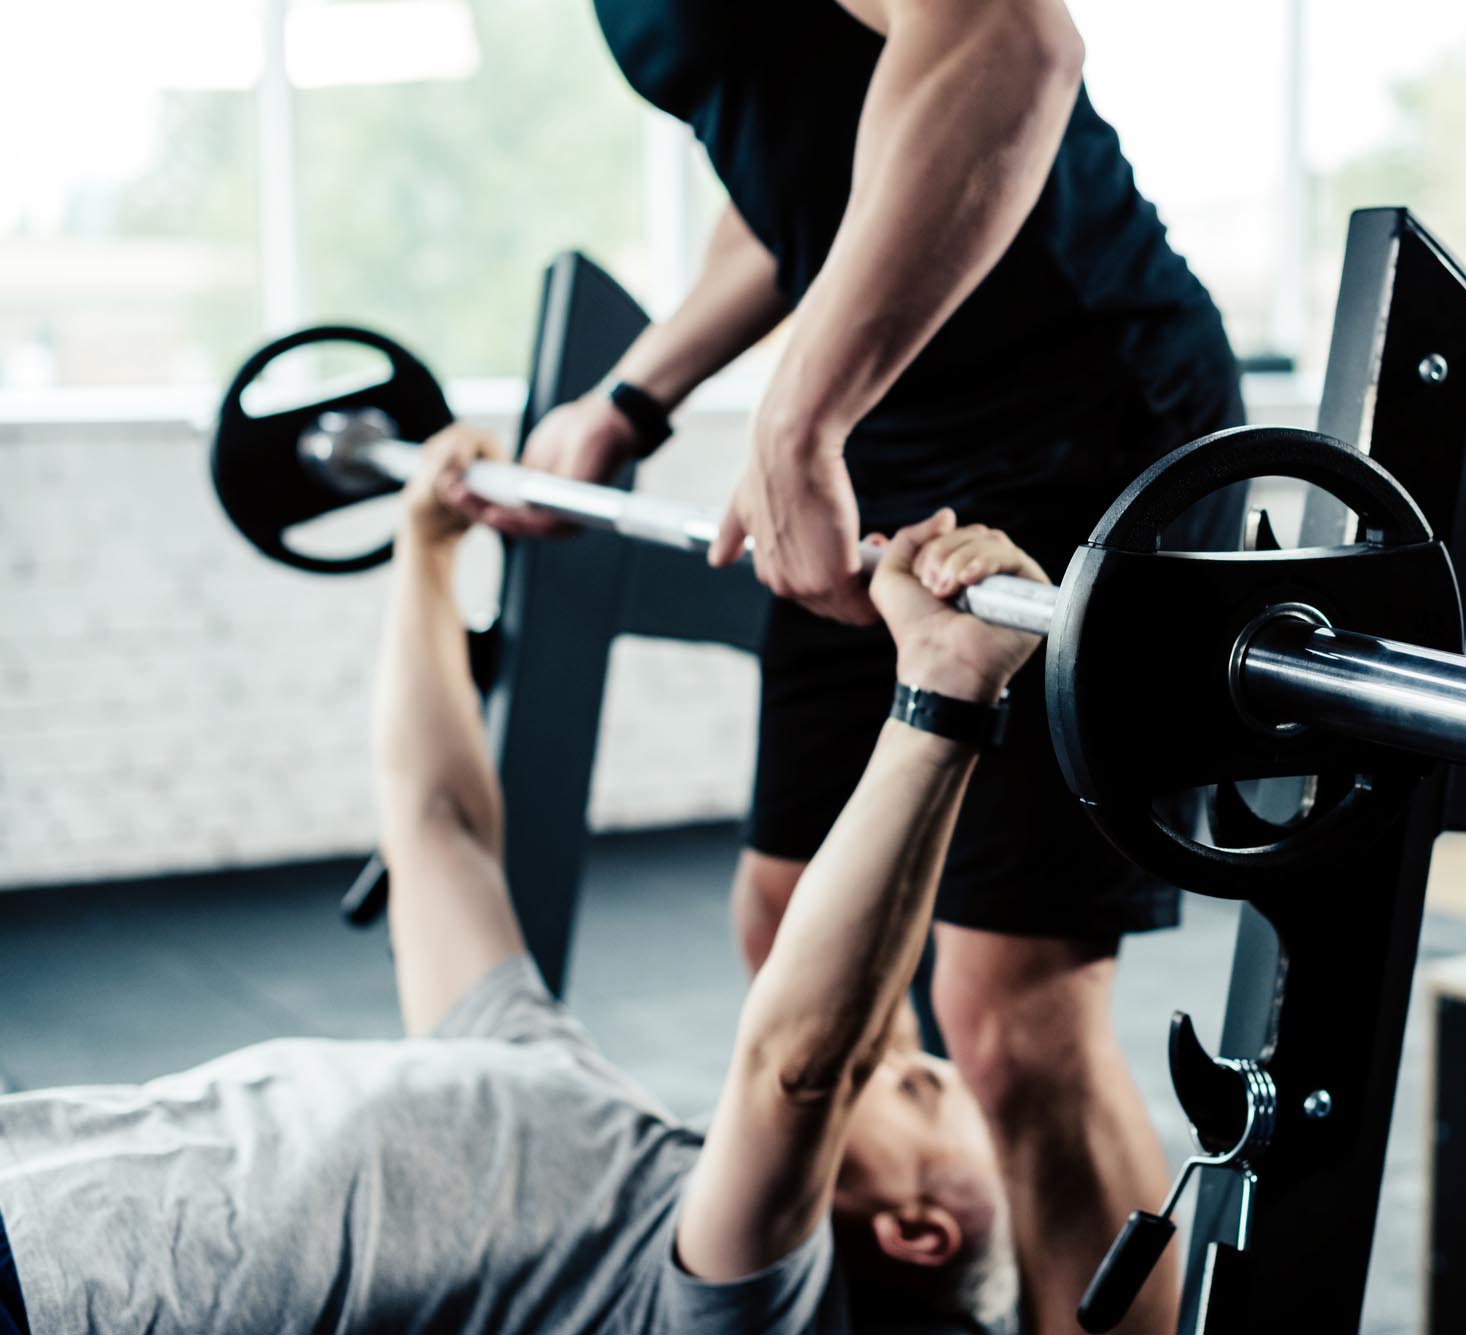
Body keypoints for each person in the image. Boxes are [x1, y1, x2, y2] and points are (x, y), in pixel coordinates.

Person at [478, 4, 1246, 1327]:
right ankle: (937, 1262)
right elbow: (800, 183)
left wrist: (797, 420)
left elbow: (1009, 39)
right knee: (791, 919)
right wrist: (632, 398)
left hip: (1082, 419)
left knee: (1010, 1022)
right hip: (892, 437)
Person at [0, 427, 1052, 1335]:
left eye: (920, 1088)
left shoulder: (722, 1304)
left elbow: (798, 1065)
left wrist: (947, 690)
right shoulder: (564, 1095)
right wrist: (427, 546)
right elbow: (437, 827)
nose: (894, 1054)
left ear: (915, 1232)